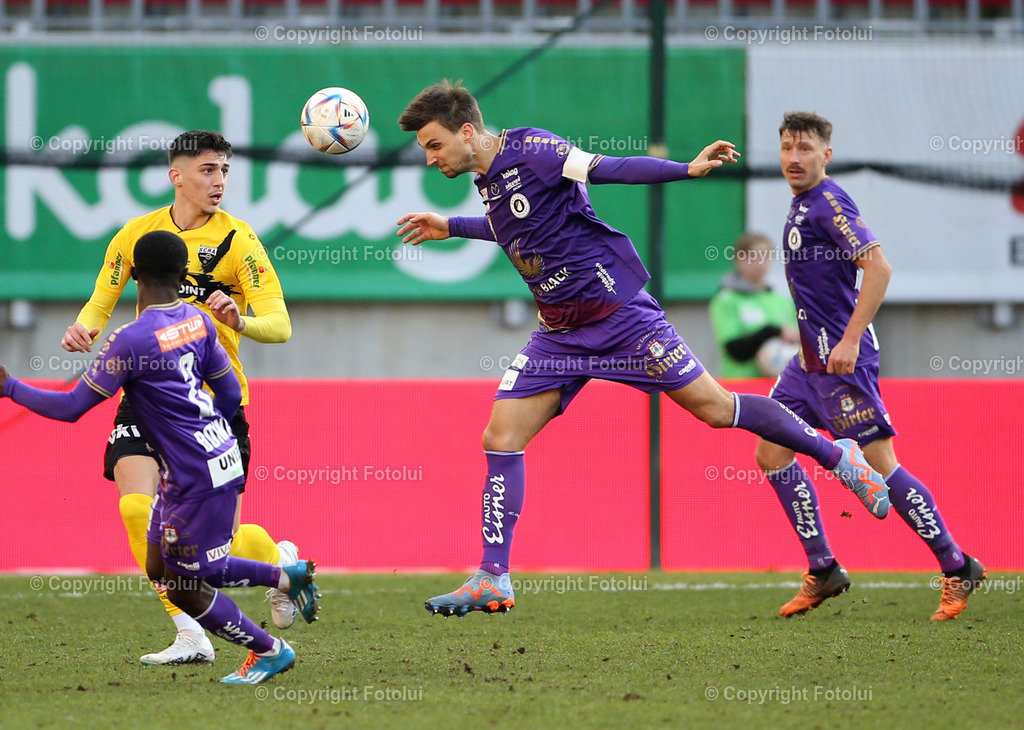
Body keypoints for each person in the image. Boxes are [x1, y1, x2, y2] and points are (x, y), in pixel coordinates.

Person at [395, 80, 891, 618]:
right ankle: (493, 576)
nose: (429, 158)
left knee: (718, 409)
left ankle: (837, 456)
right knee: (500, 435)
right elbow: (517, 225)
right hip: (560, 334)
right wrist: (453, 226)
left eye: (434, 143)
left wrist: (686, 169)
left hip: (620, 318)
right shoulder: (485, 179)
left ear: (467, 131)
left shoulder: (535, 150)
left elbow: (613, 167)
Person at [1, 231, 320, 684]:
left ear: (134, 274)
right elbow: (228, 393)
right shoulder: (200, 320)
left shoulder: (129, 340)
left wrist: (10, 386)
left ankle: (270, 649)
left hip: (194, 474)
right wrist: (203, 437)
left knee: (191, 582)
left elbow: (72, 408)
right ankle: (286, 577)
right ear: (180, 271)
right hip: (214, 453)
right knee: (160, 566)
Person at [60, 130, 300, 664]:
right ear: (177, 176)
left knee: (212, 554)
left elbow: (281, 325)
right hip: (146, 392)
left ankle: (282, 562)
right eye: (208, 171)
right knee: (134, 507)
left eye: (224, 171)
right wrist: (83, 328)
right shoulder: (136, 235)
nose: (219, 182)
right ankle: (189, 632)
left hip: (211, 403)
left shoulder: (240, 242)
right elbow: (103, 299)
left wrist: (242, 320)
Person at [757, 112, 984, 620]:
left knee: (884, 467)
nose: (794, 158)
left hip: (841, 363)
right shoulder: (801, 204)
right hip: (806, 363)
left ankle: (957, 564)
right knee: (771, 453)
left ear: (826, 155)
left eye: (806, 149)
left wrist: (851, 339)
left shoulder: (830, 202)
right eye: (787, 148)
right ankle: (823, 569)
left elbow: (878, 267)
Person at [709, 232, 800, 378]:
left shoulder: (781, 301)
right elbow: (735, 350)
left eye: (765, 256)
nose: (759, 263)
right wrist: (772, 332)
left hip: (779, 386)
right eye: (752, 256)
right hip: (741, 385)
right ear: (738, 260)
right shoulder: (726, 300)